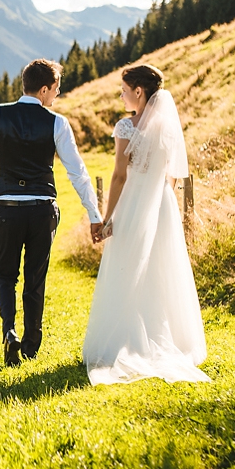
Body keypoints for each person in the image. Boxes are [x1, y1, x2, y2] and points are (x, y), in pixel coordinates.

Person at [0, 59, 103, 367]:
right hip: (42, 211)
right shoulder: (57, 122)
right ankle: (30, 345)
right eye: (55, 90)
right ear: (44, 89)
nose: (55, 96)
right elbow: (78, 173)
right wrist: (94, 215)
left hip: (7, 209)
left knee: (4, 275)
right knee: (35, 277)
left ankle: (9, 332)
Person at [84, 64, 210, 385]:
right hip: (162, 203)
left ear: (138, 91)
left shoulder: (126, 128)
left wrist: (108, 218)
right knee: (162, 269)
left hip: (135, 203)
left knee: (128, 267)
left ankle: (124, 341)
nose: (121, 95)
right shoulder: (167, 127)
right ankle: (174, 340)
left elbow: (119, 176)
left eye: (124, 90)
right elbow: (170, 173)